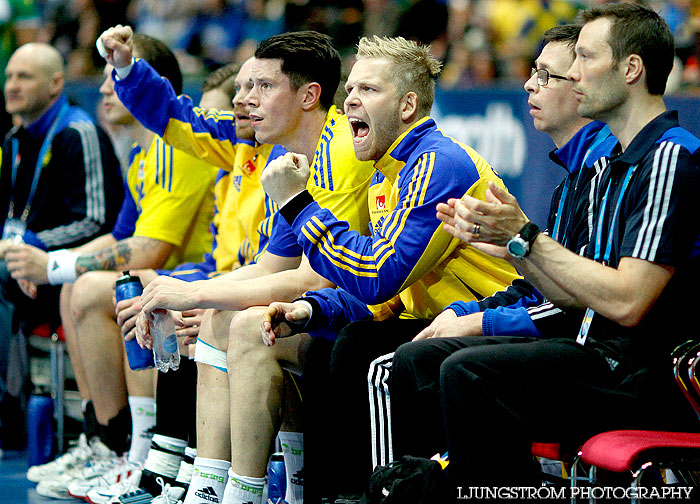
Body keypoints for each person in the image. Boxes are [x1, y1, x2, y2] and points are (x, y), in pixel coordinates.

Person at [392, 2, 700, 495]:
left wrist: (527, 238)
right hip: (599, 355)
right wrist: (515, 247)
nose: (573, 73)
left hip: (645, 374)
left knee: (468, 372)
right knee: (424, 362)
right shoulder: (614, 163)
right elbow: (578, 290)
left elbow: (627, 302)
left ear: (631, 70)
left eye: (585, 57)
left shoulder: (669, 157)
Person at [98, 27, 376, 504]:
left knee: (242, 322)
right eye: (245, 87)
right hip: (334, 300)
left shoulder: (341, 155)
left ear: (309, 96)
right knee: (223, 316)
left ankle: (233, 488)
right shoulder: (291, 157)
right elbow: (275, 264)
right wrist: (184, 293)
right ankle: (209, 486)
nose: (245, 101)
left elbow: (317, 275)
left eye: (262, 87)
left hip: (394, 309)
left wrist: (195, 293)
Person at [257, 35, 519, 502]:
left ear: (407, 105)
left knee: (366, 353)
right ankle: (322, 493)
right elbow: (389, 289)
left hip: (492, 319)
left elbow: (379, 274)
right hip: (435, 319)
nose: (351, 98)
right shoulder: (387, 173)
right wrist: (313, 309)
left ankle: (374, 495)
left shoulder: (437, 162)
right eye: (351, 88)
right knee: (321, 344)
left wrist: (298, 204)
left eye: (369, 90)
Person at [8, 34, 218, 500]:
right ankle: (101, 438)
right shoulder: (144, 153)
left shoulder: (180, 148)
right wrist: (57, 266)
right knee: (74, 287)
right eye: (103, 79)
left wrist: (57, 265)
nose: (104, 90)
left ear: (151, 84)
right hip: (169, 278)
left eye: (116, 77)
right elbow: (121, 234)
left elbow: (146, 252)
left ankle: (136, 448)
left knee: (100, 288)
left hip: (194, 277)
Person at [0, 42, 123, 448]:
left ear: (56, 84)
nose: (11, 85)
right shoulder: (13, 140)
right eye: (9, 75)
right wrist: (19, 252)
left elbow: (95, 219)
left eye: (24, 76)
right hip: (25, 263)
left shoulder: (78, 133)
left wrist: (31, 251)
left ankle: (10, 412)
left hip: (72, 267)